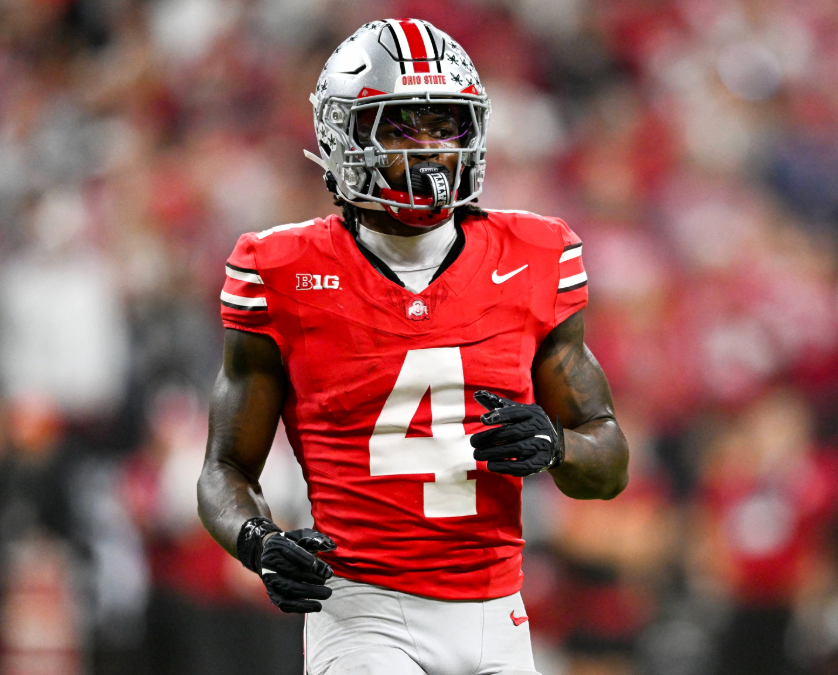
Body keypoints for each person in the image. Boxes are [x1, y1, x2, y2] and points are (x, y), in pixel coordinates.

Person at [197, 18, 629, 675]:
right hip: (363, 607)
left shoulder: (536, 256)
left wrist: (559, 446)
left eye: (445, 125)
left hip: (498, 612)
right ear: (344, 136)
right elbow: (225, 468)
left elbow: (610, 460)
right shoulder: (280, 269)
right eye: (403, 126)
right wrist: (259, 542)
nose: (429, 149)